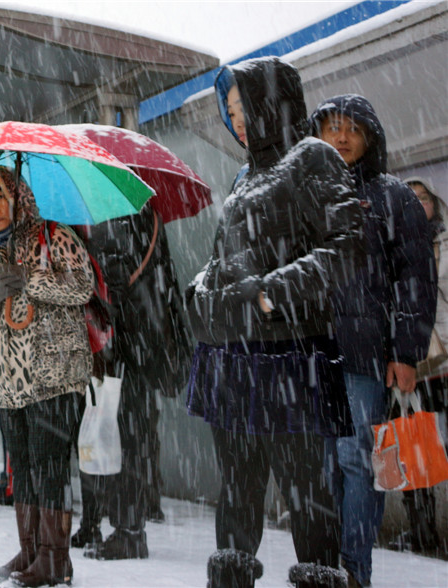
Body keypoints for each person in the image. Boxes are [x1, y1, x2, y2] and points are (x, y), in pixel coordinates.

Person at [185, 57, 365, 588]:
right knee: (238, 489)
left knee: (306, 489)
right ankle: (232, 577)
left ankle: (319, 577)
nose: (238, 121)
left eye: (246, 107)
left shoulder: (311, 157)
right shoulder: (244, 176)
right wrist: (203, 288)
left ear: (274, 101)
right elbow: (229, 256)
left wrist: (271, 294)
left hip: (292, 356)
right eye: (230, 111)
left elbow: (349, 246)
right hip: (234, 355)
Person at [309, 95, 436, 587]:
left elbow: (416, 278)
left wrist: (407, 351)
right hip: (316, 352)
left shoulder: (393, 196)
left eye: (353, 129)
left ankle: (352, 567)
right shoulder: (307, 191)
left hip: (367, 354)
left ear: (370, 138)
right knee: (323, 463)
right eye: (332, 128)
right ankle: (324, 561)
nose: (341, 137)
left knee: (357, 460)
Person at [0, 167, 93, 587]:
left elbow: (82, 285)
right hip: (10, 382)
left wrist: (33, 280)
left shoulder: (53, 235)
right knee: (23, 466)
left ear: (17, 195)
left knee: (49, 465)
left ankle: (56, 558)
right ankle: (32, 550)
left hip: (54, 376)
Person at [72, 202, 191, 560]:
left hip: (131, 344)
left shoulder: (138, 214)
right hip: (103, 342)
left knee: (127, 437)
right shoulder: (83, 216)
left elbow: (141, 279)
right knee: (92, 432)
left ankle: (128, 529)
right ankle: (93, 520)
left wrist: (102, 287)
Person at [388, 175, 448, 557]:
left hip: (443, 362)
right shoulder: (392, 248)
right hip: (408, 364)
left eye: (422, 198)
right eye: (408, 198)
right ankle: (421, 533)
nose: (416, 204)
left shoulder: (444, 245)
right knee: (414, 452)